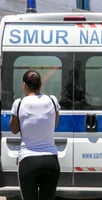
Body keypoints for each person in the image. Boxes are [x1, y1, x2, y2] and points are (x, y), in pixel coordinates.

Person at [9, 70, 61, 200]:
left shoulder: (19, 103)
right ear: (41, 84)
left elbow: (14, 129)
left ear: (24, 85)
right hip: (51, 161)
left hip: (28, 160)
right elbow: (53, 126)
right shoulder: (52, 100)